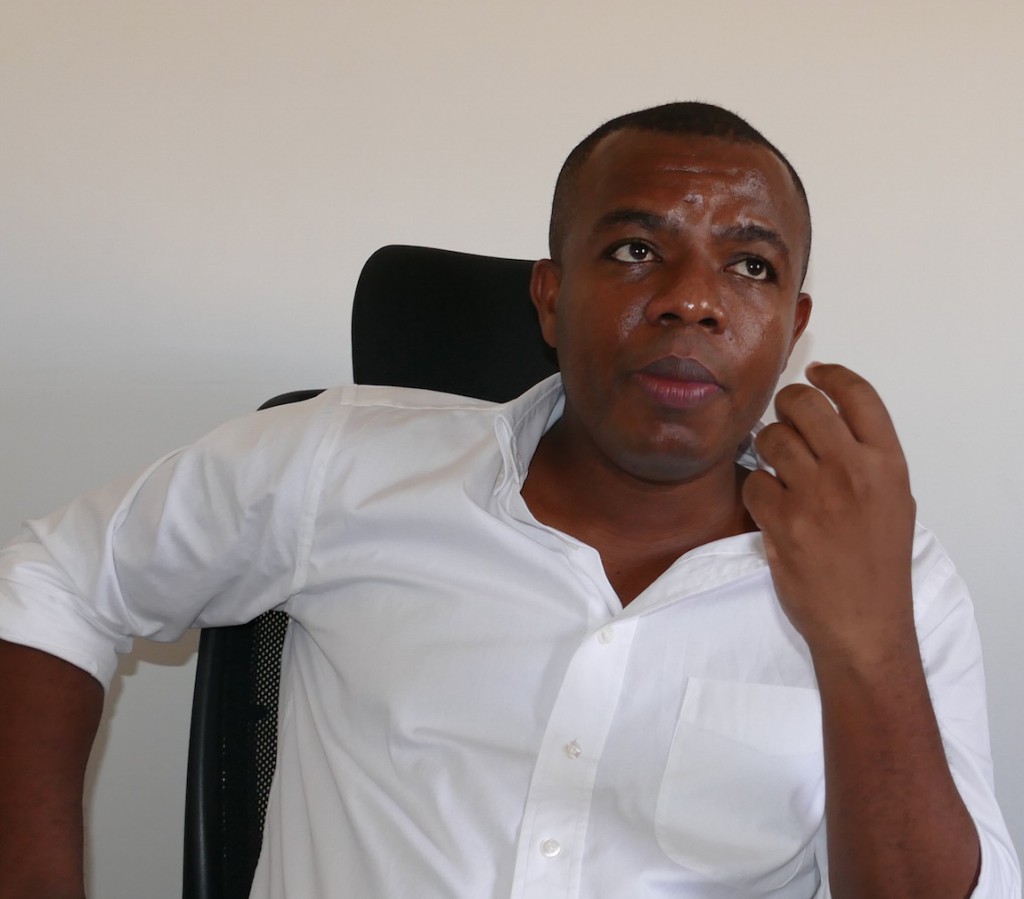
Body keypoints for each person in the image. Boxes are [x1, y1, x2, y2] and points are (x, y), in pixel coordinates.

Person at [0, 102, 1018, 898]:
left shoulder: (888, 570)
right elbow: (53, 583)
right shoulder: (343, 462)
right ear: (551, 296)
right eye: (635, 250)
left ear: (792, 326)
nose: (692, 298)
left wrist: (864, 642)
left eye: (749, 265)